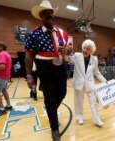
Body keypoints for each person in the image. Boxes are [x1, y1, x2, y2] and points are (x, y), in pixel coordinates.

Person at [24, 1, 72, 140]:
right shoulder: (33, 34)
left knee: (62, 93)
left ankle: (51, 111)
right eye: (44, 13)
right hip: (44, 68)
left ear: (53, 14)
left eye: (50, 12)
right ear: (40, 16)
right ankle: (54, 128)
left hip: (61, 66)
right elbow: (28, 56)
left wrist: (67, 50)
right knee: (50, 98)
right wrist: (29, 75)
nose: (48, 15)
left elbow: (70, 49)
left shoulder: (62, 32)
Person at [69, 39, 107, 127]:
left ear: (92, 50)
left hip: (90, 84)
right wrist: (65, 53)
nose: (85, 50)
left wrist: (104, 80)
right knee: (78, 101)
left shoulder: (94, 59)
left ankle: (96, 120)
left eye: (88, 49)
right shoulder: (76, 56)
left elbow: (97, 72)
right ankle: (79, 117)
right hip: (78, 84)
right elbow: (68, 60)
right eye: (84, 48)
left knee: (93, 102)